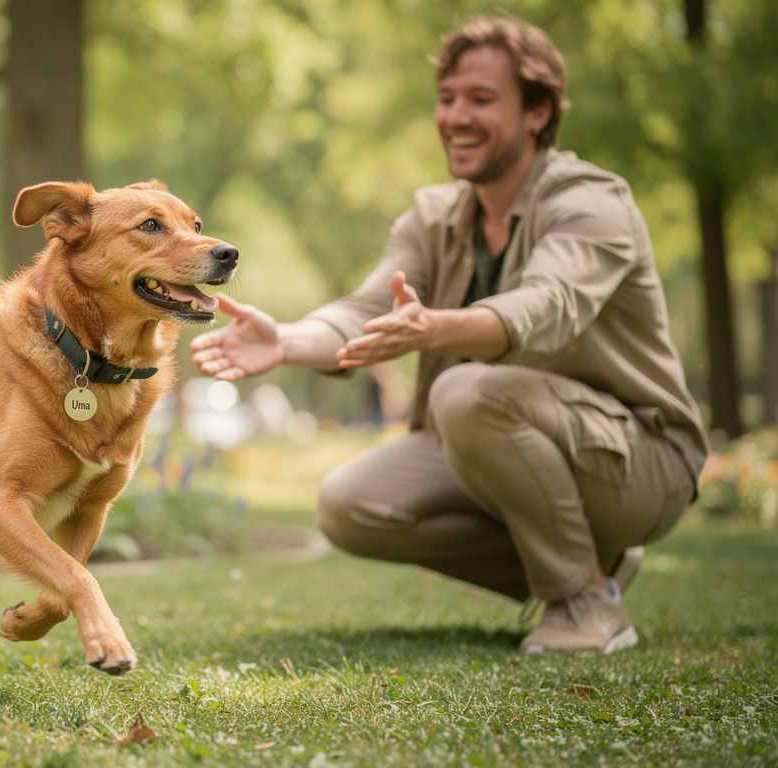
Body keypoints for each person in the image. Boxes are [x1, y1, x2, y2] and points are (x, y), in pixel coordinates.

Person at [191, 15, 707, 654]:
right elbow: (366, 309)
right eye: (447, 98)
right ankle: (591, 572)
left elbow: (547, 306)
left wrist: (432, 329)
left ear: (539, 114)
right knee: (351, 504)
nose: (456, 116)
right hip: (513, 437)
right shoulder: (436, 214)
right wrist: (287, 342)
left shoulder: (591, 201)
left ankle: (585, 605)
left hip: (641, 463)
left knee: (463, 391)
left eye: (482, 100)